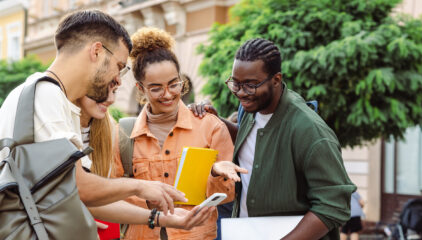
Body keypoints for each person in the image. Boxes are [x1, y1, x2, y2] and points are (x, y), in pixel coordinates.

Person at [0, 9, 195, 236]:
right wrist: (141, 186)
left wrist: (158, 218)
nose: (118, 79)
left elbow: (78, 195)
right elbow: (81, 188)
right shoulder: (46, 96)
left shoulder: (46, 96)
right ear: (97, 51)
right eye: (119, 66)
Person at [189, 38, 356, 240]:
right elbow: (250, 136)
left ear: (276, 79)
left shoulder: (310, 130)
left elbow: (333, 204)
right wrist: (217, 120)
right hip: (246, 232)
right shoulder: (250, 107)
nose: (241, 93)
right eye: (235, 83)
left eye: (250, 85)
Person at [113, 27, 246, 240]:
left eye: (174, 84)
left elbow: (228, 194)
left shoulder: (209, 126)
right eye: (156, 88)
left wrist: (214, 173)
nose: (168, 95)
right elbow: (111, 196)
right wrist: (149, 202)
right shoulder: (123, 135)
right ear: (141, 88)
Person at [77, 84, 215, 239]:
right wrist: (77, 213)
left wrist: (157, 216)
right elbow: (82, 191)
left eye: (114, 91)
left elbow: (102, 197)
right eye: (100, 90)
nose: (111, 99)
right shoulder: (59, 120)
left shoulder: (108, 129)